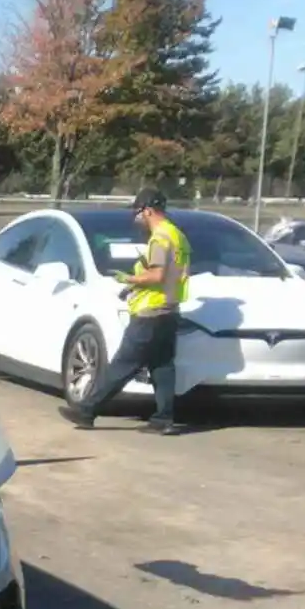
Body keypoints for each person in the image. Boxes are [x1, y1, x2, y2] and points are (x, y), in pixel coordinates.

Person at [60, 186, 193, 435]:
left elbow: (157, 273)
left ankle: (87, 410)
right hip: (170, 310)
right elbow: (179, 274)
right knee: (163, 367)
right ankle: (163, 419)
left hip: (150, 313)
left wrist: (130, 280)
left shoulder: (161, 237)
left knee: (122, 365)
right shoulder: (178, 236)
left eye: (138, 212)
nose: (135, 218)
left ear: (149, 210)